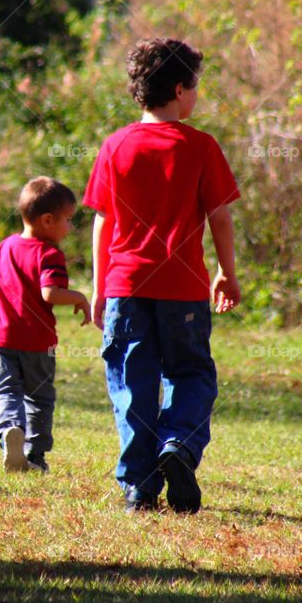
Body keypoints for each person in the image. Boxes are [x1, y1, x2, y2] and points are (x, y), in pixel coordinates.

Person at [83, 38, 240, 514]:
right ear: (178, 88)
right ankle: (178, 447)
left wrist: (97, 286)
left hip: (126, 287)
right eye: (195, 87)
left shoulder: (116, 146)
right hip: (184, 290)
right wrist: (226, 274)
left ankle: (139, 487)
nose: (197, 96)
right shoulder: (201, 147)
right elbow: (221, 217)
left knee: (133, 383)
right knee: (191, 374)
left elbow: (103, 222)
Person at [0, 177, 91, 473]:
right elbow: (50, 293)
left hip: (1, 337)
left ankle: (9, 431)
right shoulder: (50, 253)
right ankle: (34, 455)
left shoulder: (5, 246)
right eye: (68, 220)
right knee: (39, 398)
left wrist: (4, 302)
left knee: (6, 391)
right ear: (47, 220)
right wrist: (80, 297)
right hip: (37, 340)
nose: (70, 228)